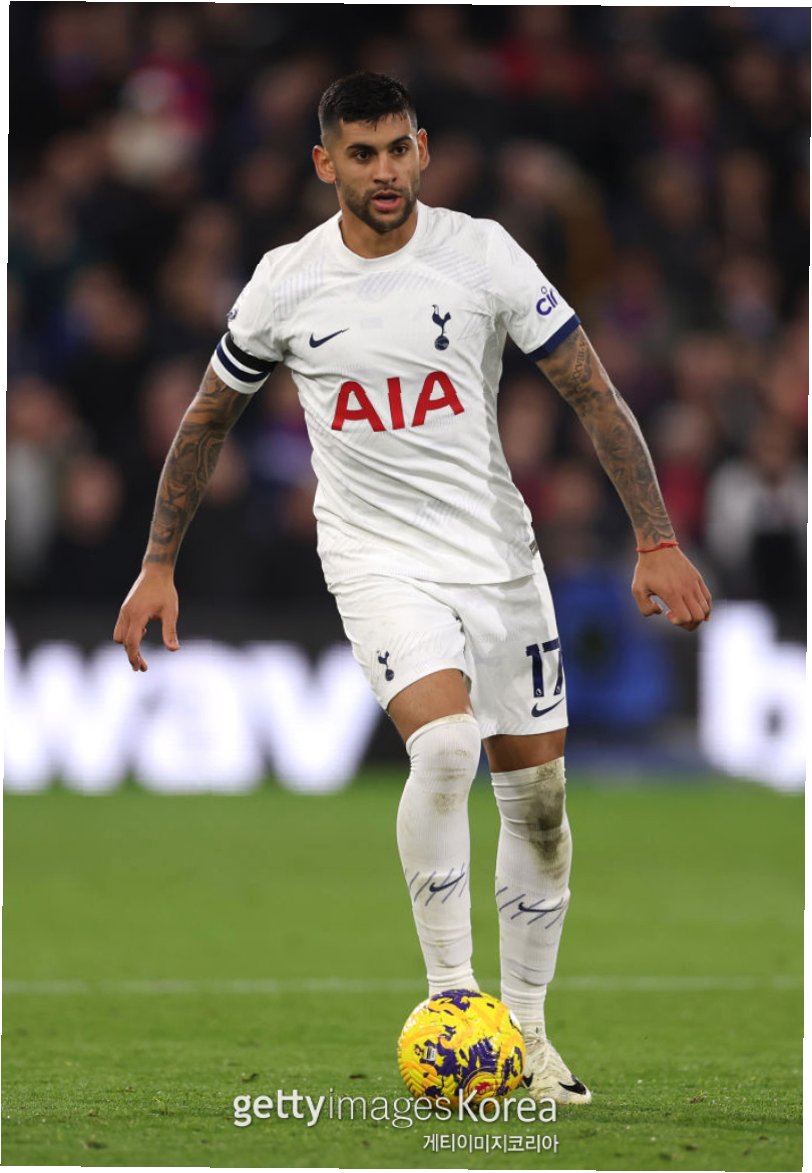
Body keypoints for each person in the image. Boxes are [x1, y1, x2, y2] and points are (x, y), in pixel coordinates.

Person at [114, 72, 712, 1105]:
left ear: (422, 149)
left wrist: (655, 537)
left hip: (498, 559)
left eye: (397, 149)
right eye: (362, 154)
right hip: (375, 559)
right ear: (325, 164)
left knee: (539, 809)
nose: (383, 171)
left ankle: (526, 1035)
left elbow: (590, 391)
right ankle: (451, 1003)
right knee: (443, 748)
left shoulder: (482, 254)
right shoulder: (286, 283)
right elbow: (207, 418)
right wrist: (157, 562)